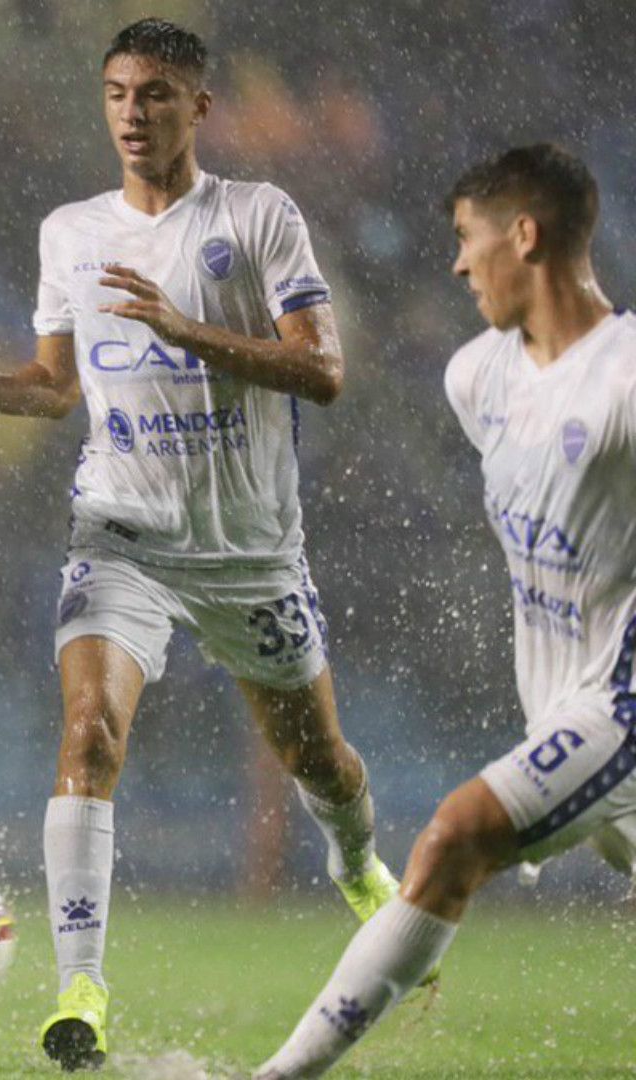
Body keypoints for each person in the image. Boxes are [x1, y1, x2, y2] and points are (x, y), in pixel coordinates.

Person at [0, 19, 392, 1070]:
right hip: (121, 536)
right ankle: (80, 991)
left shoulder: (258, 216)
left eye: (155, 94)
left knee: (320, 760)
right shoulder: (71, 232)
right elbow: (55, 386)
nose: (132, 113)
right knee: (89, 736)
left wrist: (184, 328)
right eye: (117, 93)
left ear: (199, 106)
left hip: (249, 550)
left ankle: (357, 863)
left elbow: (325, 371)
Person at [255, 143, 636, 1079]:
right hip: (558, 703)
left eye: (468, 239)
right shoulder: (477, 377)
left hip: (621, 704)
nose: (459, 265)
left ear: (525, 235)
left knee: (455, 838)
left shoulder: (626, 378)